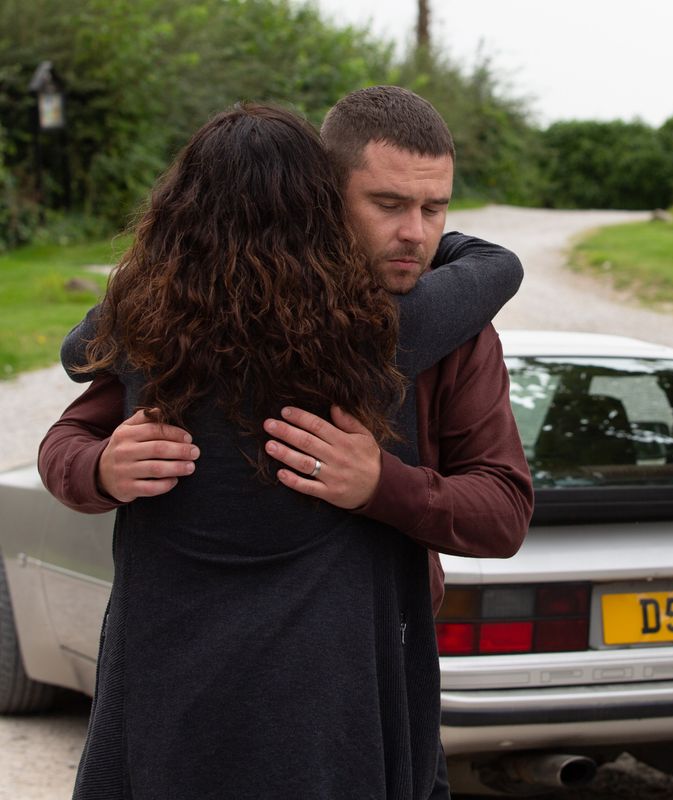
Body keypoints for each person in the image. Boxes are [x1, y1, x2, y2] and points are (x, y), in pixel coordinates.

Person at [41, 100, 531, 800]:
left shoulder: (149, 318)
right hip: (202, 698)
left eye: (434, 209)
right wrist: (100, 467)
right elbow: (67, 439)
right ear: (324, 201)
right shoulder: (177, 330)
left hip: (358, 686)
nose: (414, 233)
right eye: (389, 203)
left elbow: (505, 511)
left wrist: (383, 484)